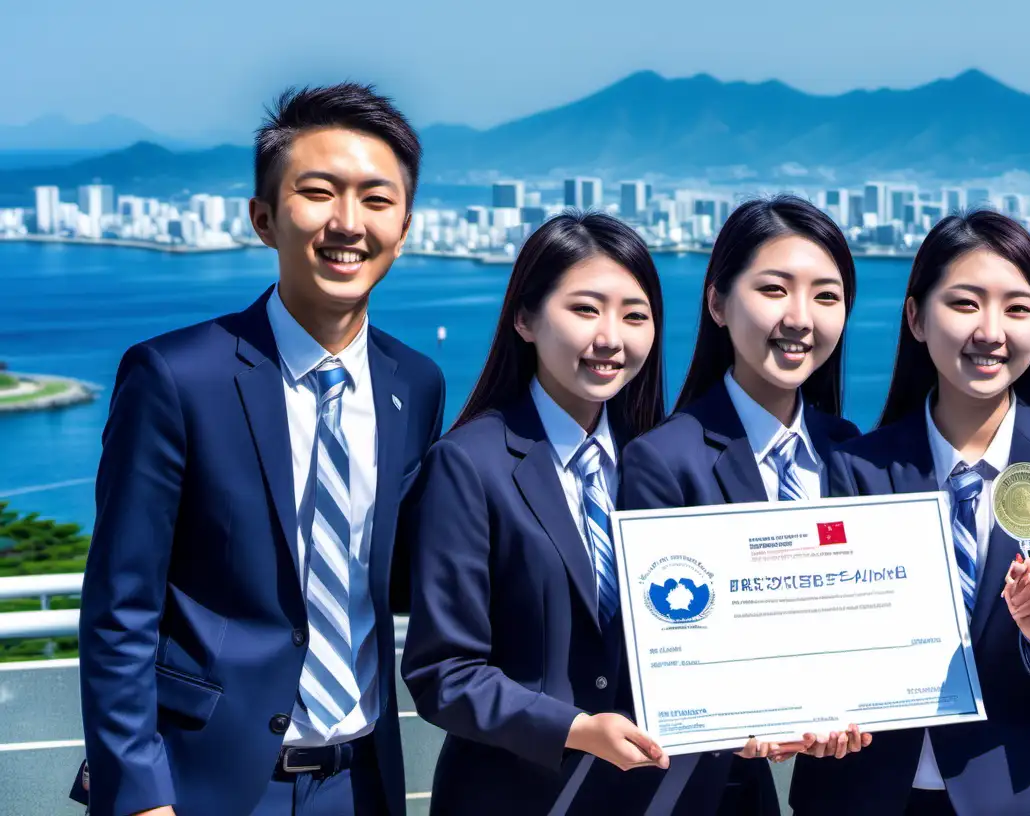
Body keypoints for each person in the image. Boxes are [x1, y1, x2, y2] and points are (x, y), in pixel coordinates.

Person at [72, 83, 446, 816]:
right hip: (205, 784)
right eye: (318, 192)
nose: (348, 222)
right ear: (263, 217)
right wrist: (141, 797)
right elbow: (121, 606)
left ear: (404, 228)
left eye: (377, 199)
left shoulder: (416, 384)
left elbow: (404, 574)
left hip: (363, 780)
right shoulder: (176, 376)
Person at [788, 210, 1030, 815]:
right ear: (916, 317)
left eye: (1018, 309)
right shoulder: (855, 467)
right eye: (965, 303)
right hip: (861, 794)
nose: (991, 331)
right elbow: (816, 631)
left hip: (1021, 794)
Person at [400, 212, 672, 815]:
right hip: (510, 797)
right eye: (585, 309)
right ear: (524, 318)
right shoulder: (468, 464)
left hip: (651, 797)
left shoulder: (661, 461)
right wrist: (576, 729)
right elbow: (443, 673)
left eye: (635, 315)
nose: (612, 338)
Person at [618, 195, 869, 814]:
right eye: (775, 290)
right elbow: (660, 645)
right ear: (717, 303)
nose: (801, 318)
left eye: (826, 296)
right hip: (708, 792)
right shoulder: (662, 459)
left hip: (829, 786)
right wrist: (737, 721)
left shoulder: (849, 449)